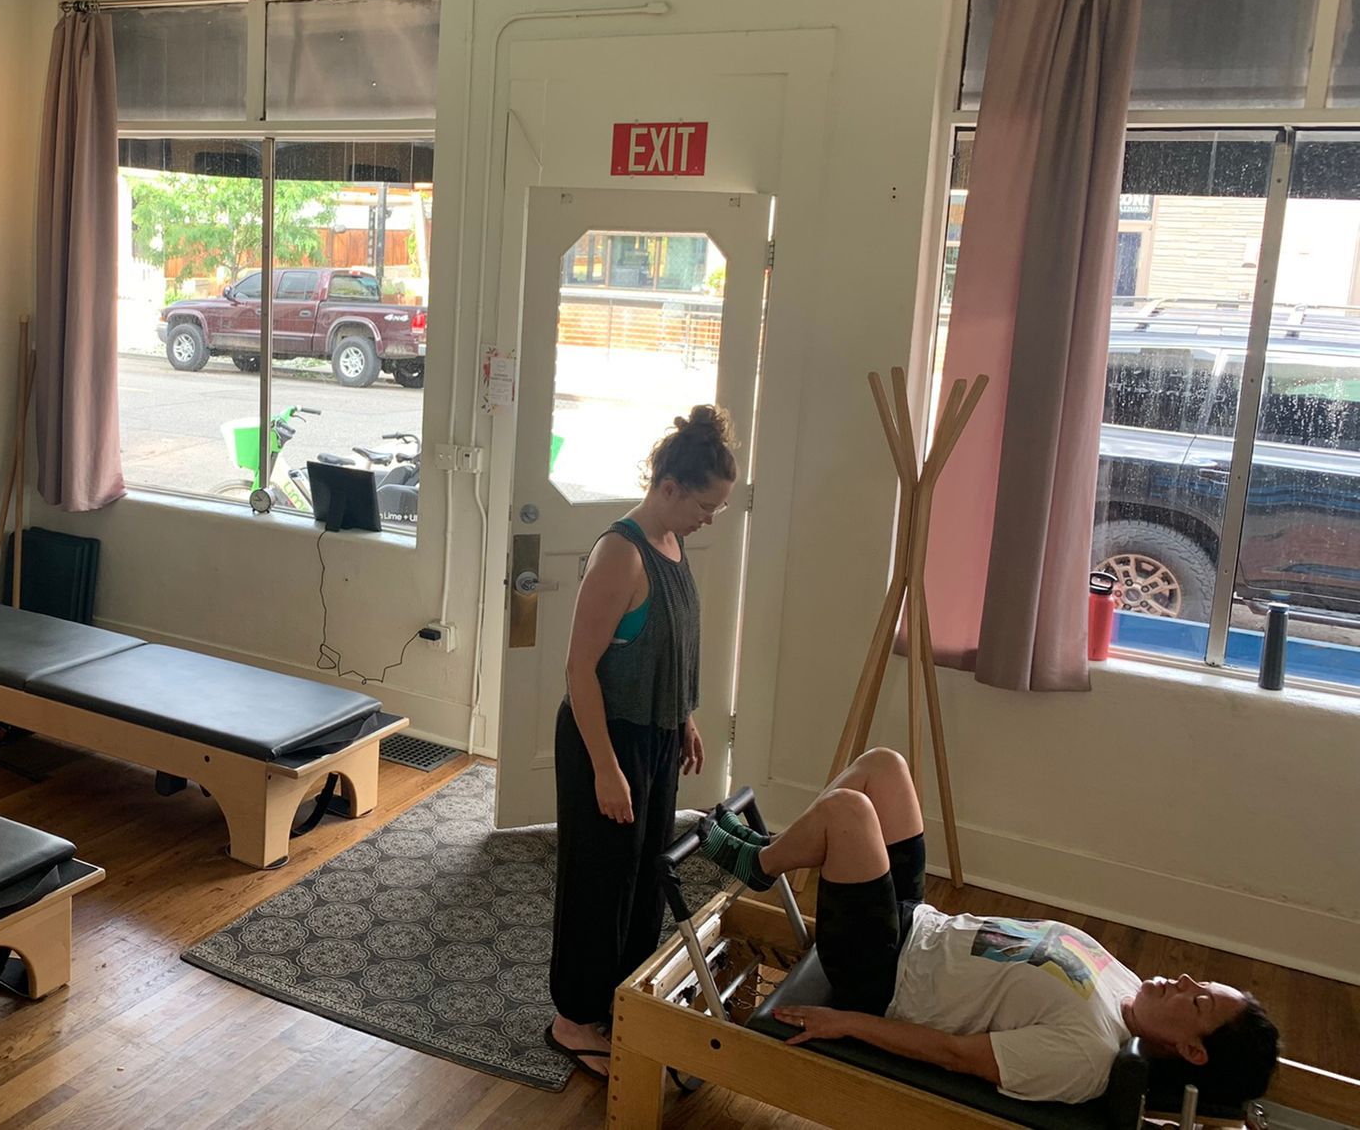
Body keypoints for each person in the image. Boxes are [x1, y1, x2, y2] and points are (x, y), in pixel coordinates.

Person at [698, 747, 1280, 1107]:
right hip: (919, 924)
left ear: (1191, 1051)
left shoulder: (1086, 1056)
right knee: (884, 767)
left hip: (882, 974)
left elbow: (954, 1054)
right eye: (1199, 983)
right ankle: (778, 850)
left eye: (1198, 1001)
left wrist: (847, 1022)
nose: (1184, 981)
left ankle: (760, 864)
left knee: (848, 812)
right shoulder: (1129, 990)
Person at [546, 405, 739, 1080]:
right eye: (706, 505)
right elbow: (580, 670)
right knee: (599, 882)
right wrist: (605, 768)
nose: (710, 518)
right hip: (606, 740)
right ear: (670, 487)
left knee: (644, 877)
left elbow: (666, 646)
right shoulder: (619, 554)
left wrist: (683, 716)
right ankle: (572, 1019)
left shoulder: (674, 546)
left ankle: (619, 999)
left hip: (654, 737)